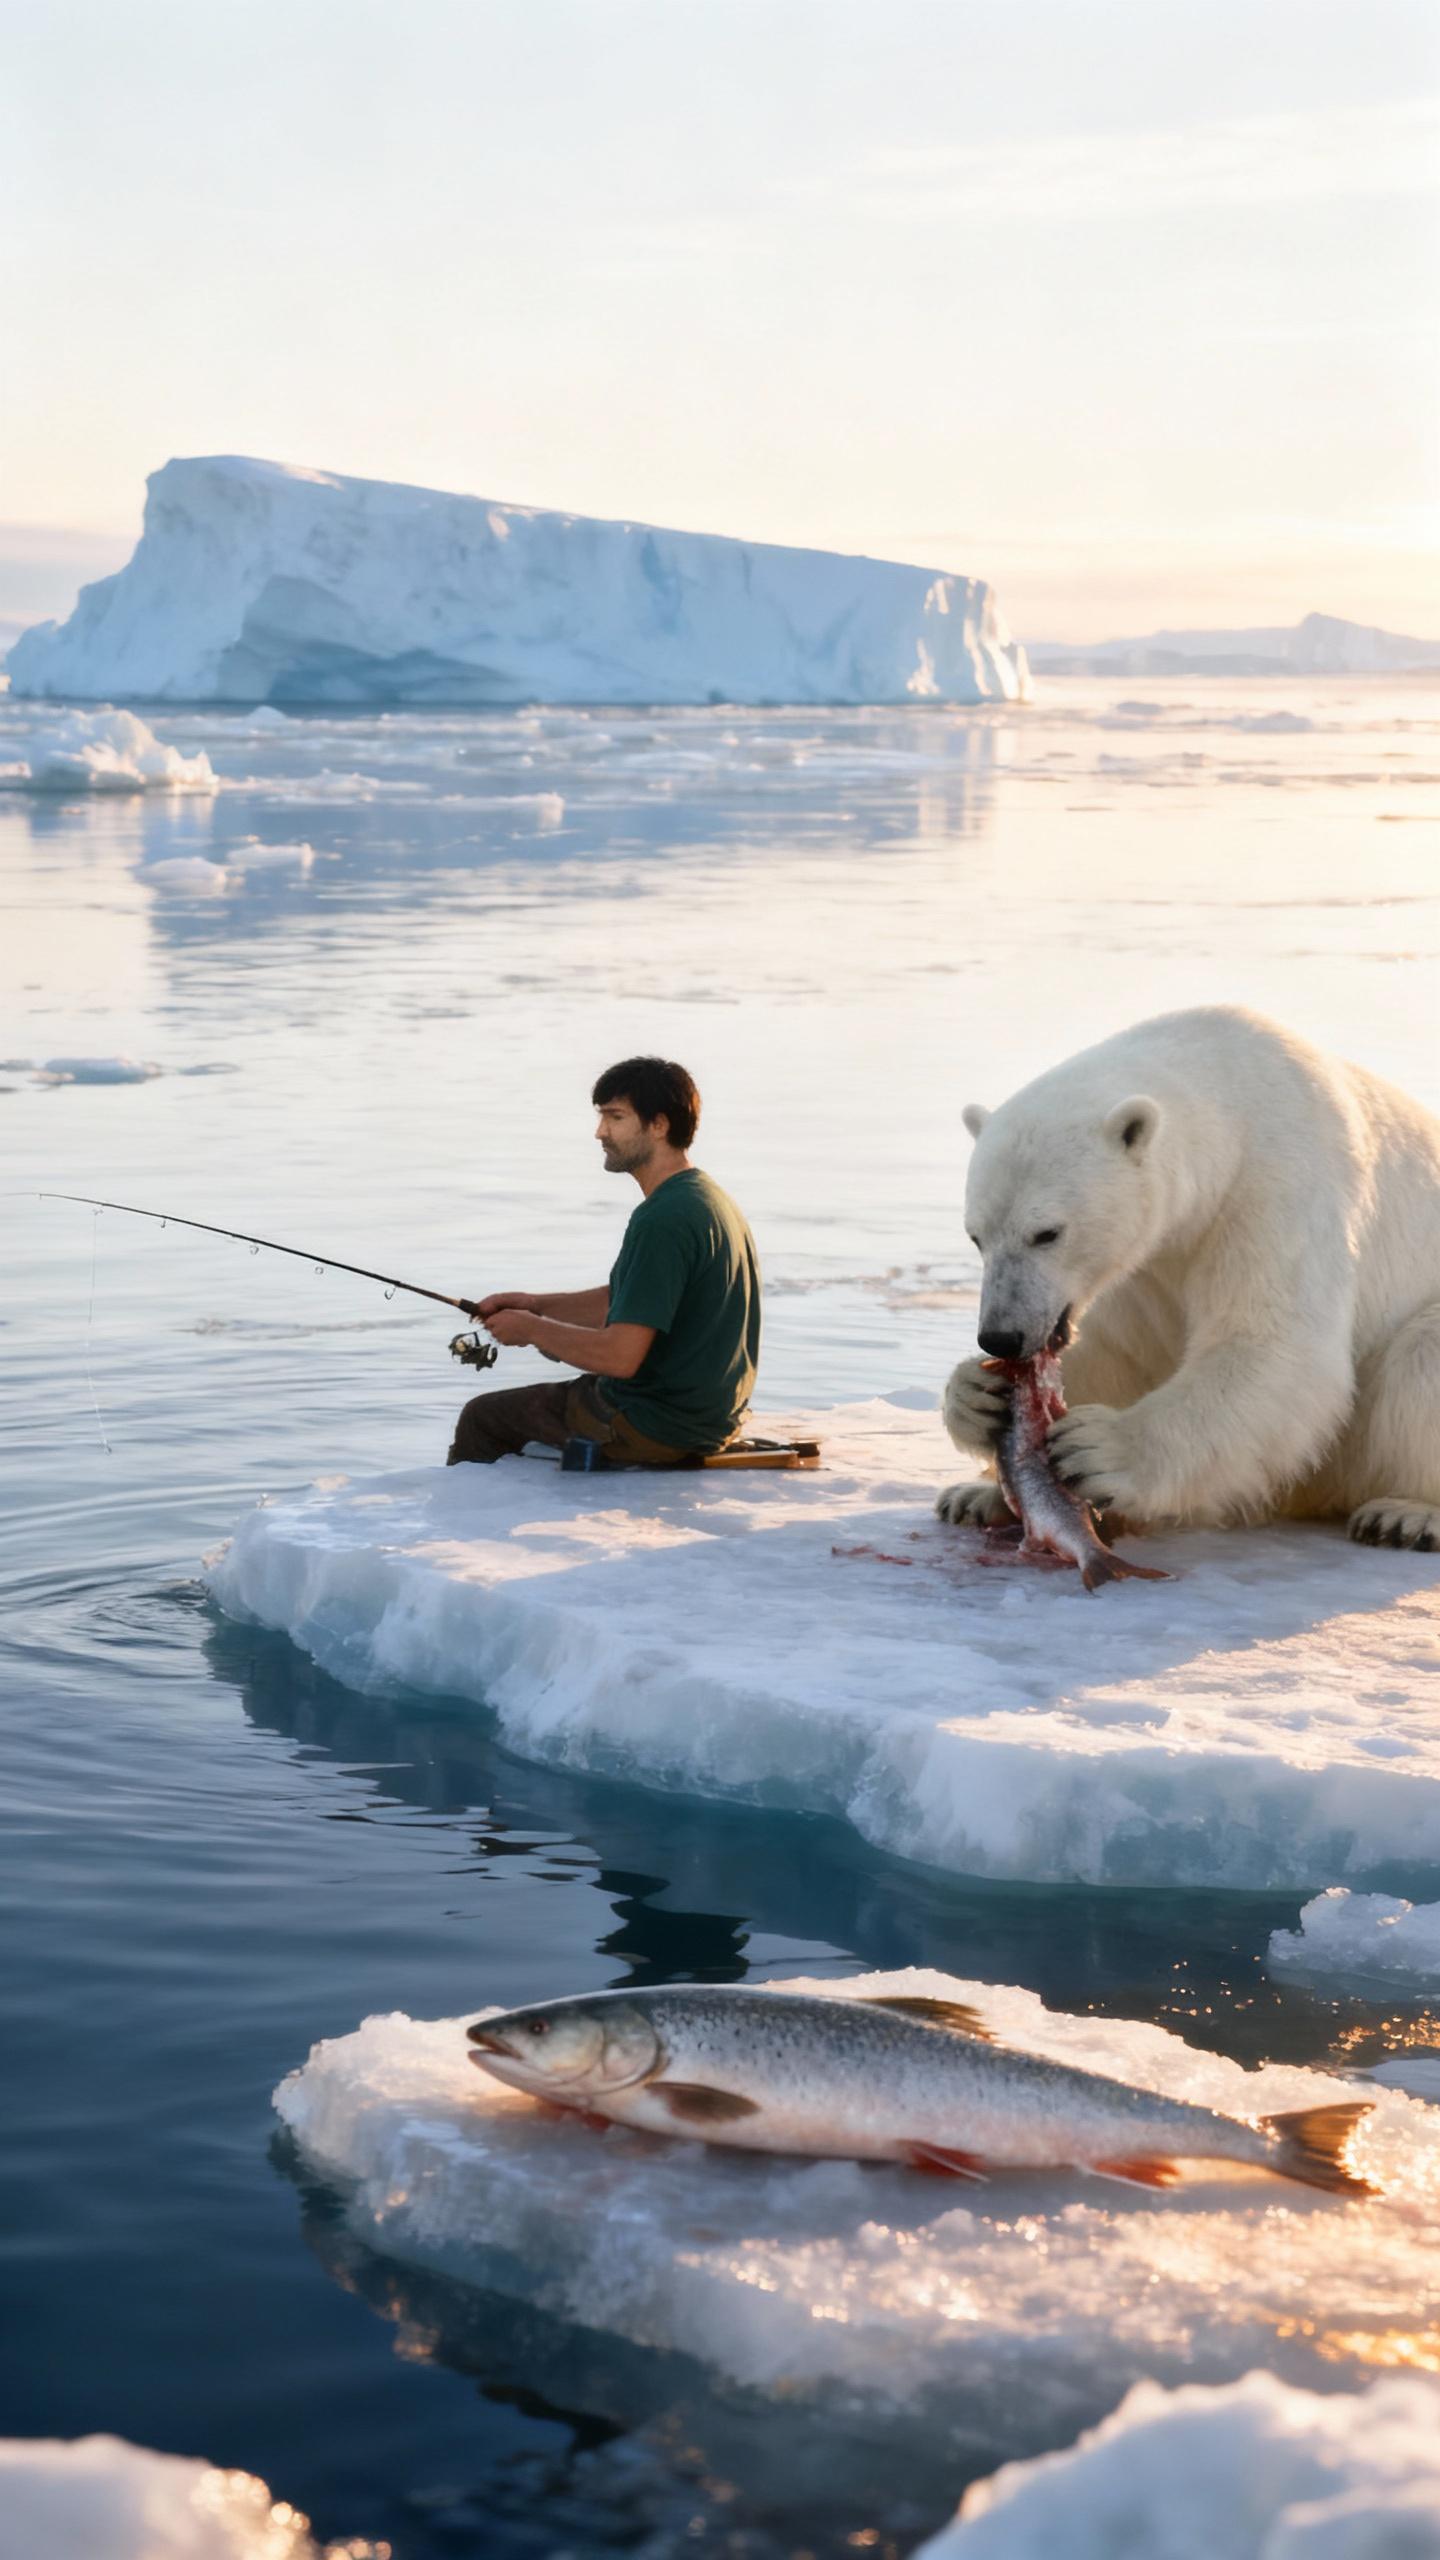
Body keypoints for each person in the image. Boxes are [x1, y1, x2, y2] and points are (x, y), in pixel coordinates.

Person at [448, 1057, 761, 1468]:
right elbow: (631, 1299)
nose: (600, 1132)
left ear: (659, 1125)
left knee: (484, 1417)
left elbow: (619, 1358)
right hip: (708, 1416)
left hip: (656, 1425)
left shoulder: (662, 1219)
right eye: (601, 1117)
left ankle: (466, 1530)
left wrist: (532, 1330)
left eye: (615, 1117)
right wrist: (535, 1305)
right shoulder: (704, 1197)